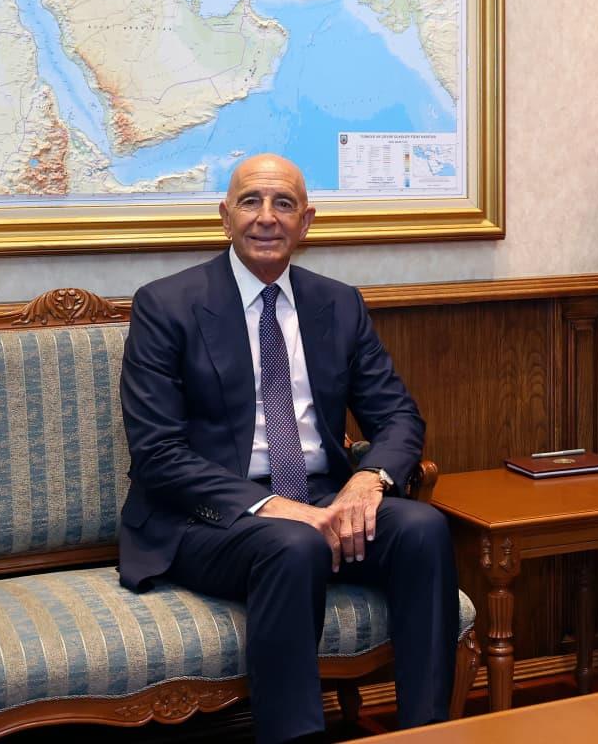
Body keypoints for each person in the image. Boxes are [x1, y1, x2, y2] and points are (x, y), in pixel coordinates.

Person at [118, 153, 459, 744]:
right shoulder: (167, 304)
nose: (266, 217)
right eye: (250, 201)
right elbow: (158, 453)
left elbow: (398, 416)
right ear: (225, 216)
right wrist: (273, 507)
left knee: (423, 528)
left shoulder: (338, 304)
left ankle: (425, 734)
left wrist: (370, 479)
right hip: (208, 520)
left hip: (322, 500)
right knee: (293, 543)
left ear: (307, 221)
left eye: (284, 204)